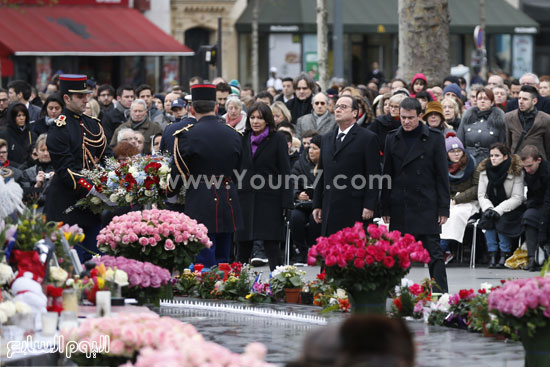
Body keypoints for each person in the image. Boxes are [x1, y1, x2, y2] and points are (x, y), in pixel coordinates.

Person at [167, 84, 244, 268]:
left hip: (200, 197)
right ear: (217, 107)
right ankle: (224, 289)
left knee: (203, 256)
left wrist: (170, 192)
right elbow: (241, 170)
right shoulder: (234, 135)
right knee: (224, 257)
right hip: (227, 196)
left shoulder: (186, 135)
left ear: (191, 109)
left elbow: (178, 172)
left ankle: (206, 290)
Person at [381, 97, 450, 293]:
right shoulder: (391, 138)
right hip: (400, 204)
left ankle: (440, 294)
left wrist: (443, 207)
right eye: (403, 117)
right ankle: (391, 292)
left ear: (420, 116)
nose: (406, 121)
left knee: (434, 254)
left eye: (411, 118)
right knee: (396, 254)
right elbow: (387, 175)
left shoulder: (435, 138)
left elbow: (442, 175)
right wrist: (384, 206)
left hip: (426, 204)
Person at [45, 74, 111, 262]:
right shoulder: (59, 128)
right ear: (67, 98)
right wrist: (92, 188)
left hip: (91, 210)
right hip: (66, 206)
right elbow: (66, 171)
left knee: (97, 262)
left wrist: (115, 179)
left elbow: (107, 154)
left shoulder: (93, 124)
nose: (85, 99)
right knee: (69, 265)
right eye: (80, 96)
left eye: (87, 95)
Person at [312, 95, 381, 236]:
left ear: (355, 113)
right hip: (330, 205)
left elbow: (374, 175)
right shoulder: (326, 138)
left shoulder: (367, 138)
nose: (338, 110)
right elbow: (321, 173)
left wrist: (369, 205)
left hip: (355, 207)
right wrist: (317, 204)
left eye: (343, 107)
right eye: (336, 106)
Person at [236, 102, 293, 271]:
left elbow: (285, 172)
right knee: (243, 248)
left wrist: (287, 202)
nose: (255, 121)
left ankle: (279, 285)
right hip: (245, 199)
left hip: (270, 200)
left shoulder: (278, 139)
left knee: (272, 248)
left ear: (267, 120)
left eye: (260, 118)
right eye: (252, 117)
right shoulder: (242, 138)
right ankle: (237, 285)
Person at [477, 143, 524, 268]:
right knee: (487, 219)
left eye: (497, 155)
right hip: (490, 205)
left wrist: (499, 210)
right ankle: (492, 254)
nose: (493, 158)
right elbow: (482, 195)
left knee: (501, 220)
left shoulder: (516, 171)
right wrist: (488, 208)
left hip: (510, 208)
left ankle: (504, 254)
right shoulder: (483, 171)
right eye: (491, 155)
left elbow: (517, 197)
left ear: (505, 157)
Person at [440, 133, 479, 264]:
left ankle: (442, 248)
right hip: (448, 200)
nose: (456, 154)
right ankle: (443, 250)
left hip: (468, 201)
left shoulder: (472, 164)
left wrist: (458, 199)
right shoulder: (441, 165)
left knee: (455, 215)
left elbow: (476, 187)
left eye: (459, 151)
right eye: (452, 151)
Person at [289, 134, 322, 265]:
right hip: (302, 204)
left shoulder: (328, 165)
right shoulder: (300, 164)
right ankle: (300, 252)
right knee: (295, 218)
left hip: (320, 204)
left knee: (316, 220)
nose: (310, 151)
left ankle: (314, 250)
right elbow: (291, 182)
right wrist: (297, 194)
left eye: (315, 148)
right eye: (309, 148)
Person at [519, 145, 550, 271]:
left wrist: (543, 227)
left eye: (530, 166)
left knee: (542, 220)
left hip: (547, 203)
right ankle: (532, 257)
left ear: (539, 160)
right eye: (524, 166)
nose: (527, 170)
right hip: (538, 203)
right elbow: (531, 194)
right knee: (528, 217)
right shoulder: (529, 172)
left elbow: (548, 201)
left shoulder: (548, 172)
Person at [457, 88, 506, 165]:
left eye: (486, 99)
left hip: (490, 162)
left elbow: (503, 143)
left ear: (492, 102)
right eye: (480, 98)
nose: (482, 101)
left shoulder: (499, 120)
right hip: (469, 161)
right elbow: (460, 141)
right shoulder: (467, 118)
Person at [505, 85, 550, 160]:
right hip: (516, 163)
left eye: (525, 99)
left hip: (537, 163)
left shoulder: (545, 119)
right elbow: (507, 143)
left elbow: (548, 146)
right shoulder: (509, 117)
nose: (521, 101)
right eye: (519, 98)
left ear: (534, 101)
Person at [20, 134, 55, 208]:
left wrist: (56, 182)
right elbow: (25, 201)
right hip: (35, 214)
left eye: (48, 150)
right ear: (36, 151)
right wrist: (37, 186)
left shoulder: (60, 171)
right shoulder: (27, 173)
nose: (46, 153)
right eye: (42, 150)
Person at [0, 103, 37, 168]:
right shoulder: (4, 134)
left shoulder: (31, 135)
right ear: (12, 117)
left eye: (24, 115)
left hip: (29, 170)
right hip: (9, 170)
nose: (22, 118)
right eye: (18, 115)